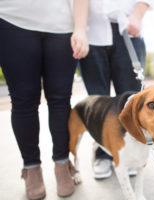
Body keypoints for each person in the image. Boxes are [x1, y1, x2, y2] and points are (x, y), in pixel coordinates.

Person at [0, 0, 89, 199]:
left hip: (62, 25)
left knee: (60, 100)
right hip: (10, 19)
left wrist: (80, 28)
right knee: (23, 100)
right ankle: (32, 169)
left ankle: (62, 163)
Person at [79, 0, 154, 179]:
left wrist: (137, 15)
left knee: (131, 98)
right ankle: (103, 153)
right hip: (91, 31)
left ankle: (131, 154)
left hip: (128, 27)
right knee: (97, 101)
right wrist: (79, 29)